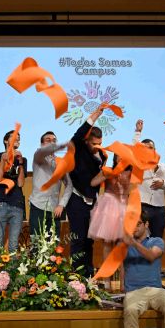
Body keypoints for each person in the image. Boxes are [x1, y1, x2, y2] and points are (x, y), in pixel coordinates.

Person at [66, 106, 108, 276]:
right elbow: (78, 133)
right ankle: (76, 277)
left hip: (93, 202)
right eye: (94, 143)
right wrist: (95, 115)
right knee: (78, 240)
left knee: (89, 241)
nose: (97, 147)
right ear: (86, 140)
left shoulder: (102, 156)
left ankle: (89, 276)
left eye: (100, 143)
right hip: (76, 201)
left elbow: (97, 181)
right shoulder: (77, 146)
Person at [133, 119, 165, 238]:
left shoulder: (164, 167)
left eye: (150, 147)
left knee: (157, 239)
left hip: (159, 209)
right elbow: (134, 149)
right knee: (140, 238)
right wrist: (138, 132)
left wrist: (163, 183)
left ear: (155, 150)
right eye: (144, 148)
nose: (147, 150)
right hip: (142, 206)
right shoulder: (138, 164)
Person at [28, 131, 72, 238]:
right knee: (36, 242)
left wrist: (62, 204)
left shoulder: (61, 163)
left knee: (53, 243)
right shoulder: (38, 156)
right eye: (48, 140)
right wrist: (60, 145)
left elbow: (69, 185)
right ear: (42, 144)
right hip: (38, 205)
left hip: (54, 208)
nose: (52, 143)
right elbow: (44, 151)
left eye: (54, 141)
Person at [88, 156, 131, 261]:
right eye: (118, 156)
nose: (120, 158)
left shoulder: (130, 173)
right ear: (115, 158)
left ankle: (123, 277)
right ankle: (106, 276)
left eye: (122, 156)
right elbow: (93, 183)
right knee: (107, 244)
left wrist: (125, 183)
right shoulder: (108, 170)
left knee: (122, 245)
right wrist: (105, 176)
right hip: (109, 208)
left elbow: (132, 191)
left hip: (124, 207)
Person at [0, 130, 28, 253]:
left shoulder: (23, 159)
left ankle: (12, 271)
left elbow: (21, 183)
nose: (17, 139)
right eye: (14, 137)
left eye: (19, 138)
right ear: (6, 140)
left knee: (13, 245)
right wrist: (2, 161)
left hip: (17, 204)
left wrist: (21, 164)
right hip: (0, 203)